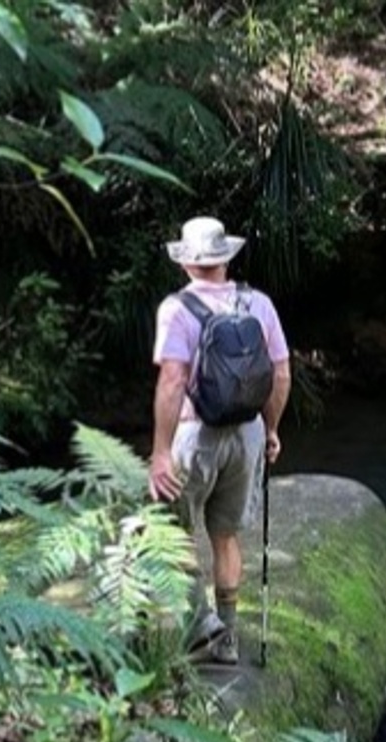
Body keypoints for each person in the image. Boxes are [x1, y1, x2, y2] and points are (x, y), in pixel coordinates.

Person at [150, 216, 291, 665]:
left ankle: (201, 624)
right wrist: (271, 430)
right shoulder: (259, 304)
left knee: (173, 529)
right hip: (247, 433)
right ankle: (227, 640)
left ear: (187, 263)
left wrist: (159, 452)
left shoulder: (176, 310)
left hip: (197, 435)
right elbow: (281, 373)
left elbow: (172, 381)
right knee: (226, 535)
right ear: (224, 258)